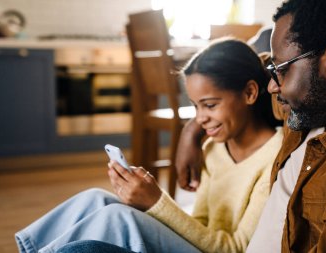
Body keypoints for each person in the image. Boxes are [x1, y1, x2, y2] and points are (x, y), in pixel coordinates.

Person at [15, 38, 283, 253]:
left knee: (119, 218)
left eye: (210, 105)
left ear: (249, 92)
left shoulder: (276, 159)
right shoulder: (213, 148)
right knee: (95, 198)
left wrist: (156, 203)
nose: (200, 119)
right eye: (195, 106)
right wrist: (148, 204)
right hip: (202, 245)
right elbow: (200, 223)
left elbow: (235, 248)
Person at [176, 0, 326, 252]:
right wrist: (193, 131)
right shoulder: (307, 106)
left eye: (281, 71)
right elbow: (237, 73)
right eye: (273, 71)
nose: (273, 87)